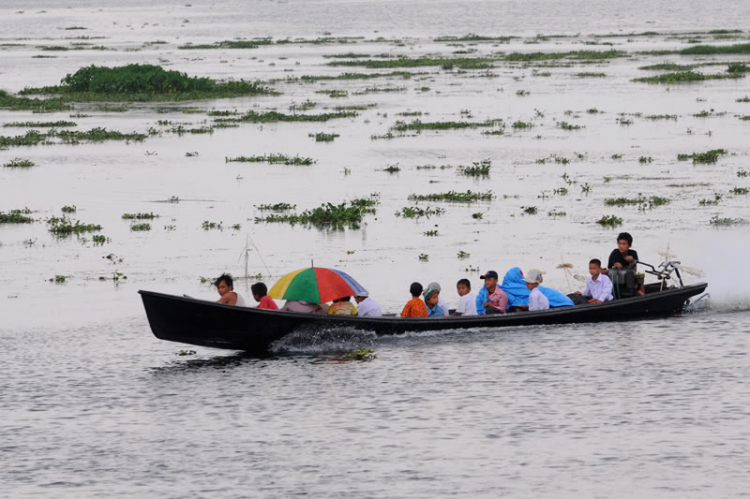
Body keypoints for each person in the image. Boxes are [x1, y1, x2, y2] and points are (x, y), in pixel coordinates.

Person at [500, 267, 574, 310]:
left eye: (528, 283)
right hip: (563, 300)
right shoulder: (535, 290)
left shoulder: (532, 293)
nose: (526, 284)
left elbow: (534, 309)